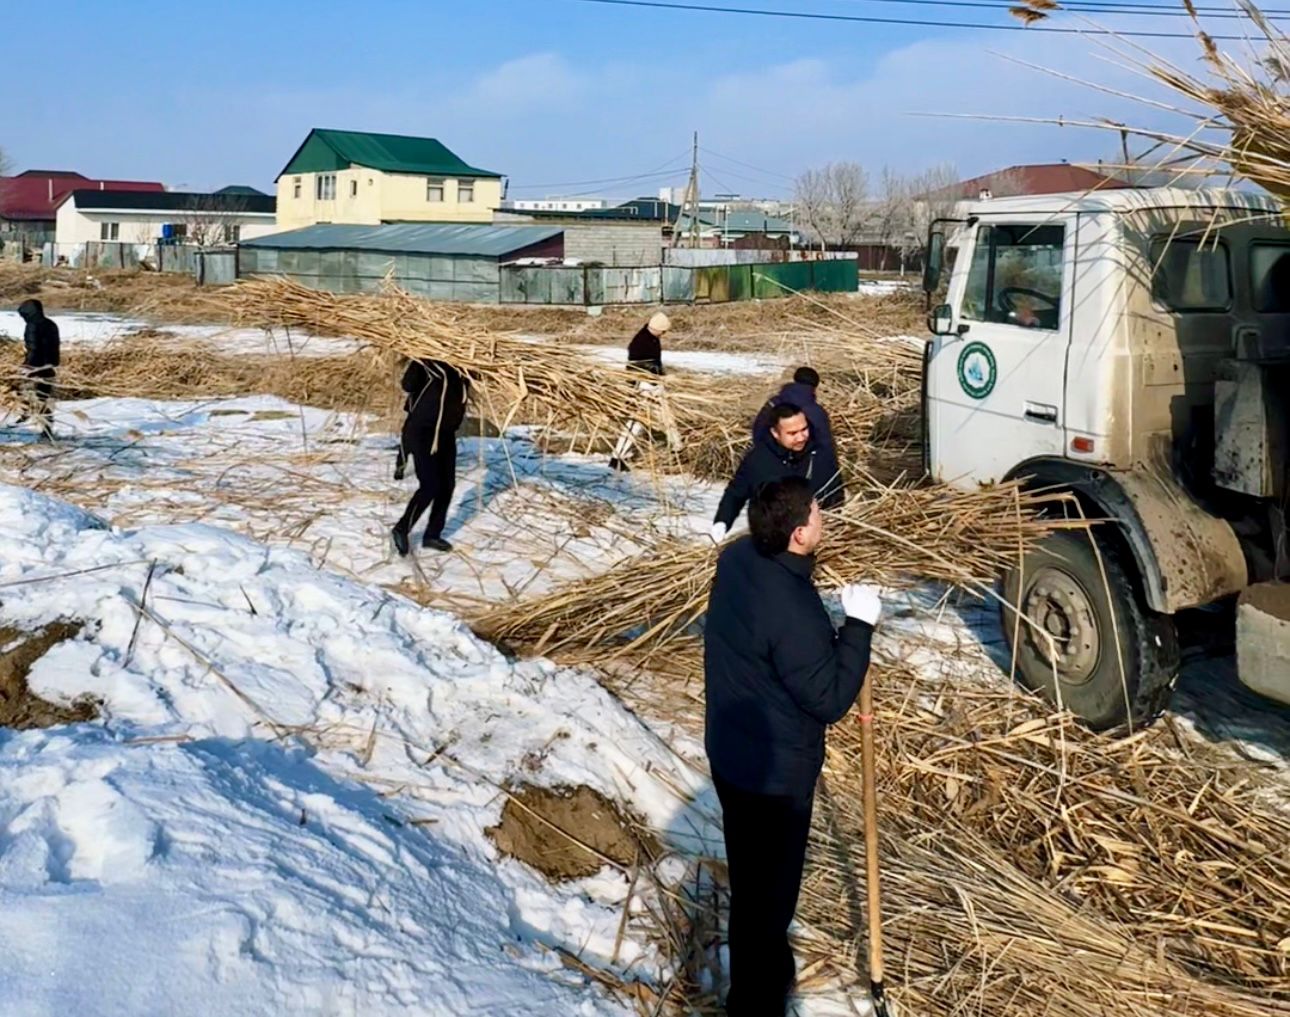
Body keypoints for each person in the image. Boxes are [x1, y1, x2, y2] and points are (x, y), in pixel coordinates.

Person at [704, 476, 881, 1016]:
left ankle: (769, 969)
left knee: (751, 882)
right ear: (800, 534)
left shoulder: (737, 561)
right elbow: (827, 697)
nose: (825, 518)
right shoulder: (792, 609)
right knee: (769, 898)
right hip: (775, 780)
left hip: (731, 757)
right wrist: (858, 627)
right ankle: (753, 1004)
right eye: (819, 513)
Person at [708, 402, 841, 544]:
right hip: (771, 541)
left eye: (804, 429)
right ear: (775, 433)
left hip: (815, 537)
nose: (801, 437)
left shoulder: (821, 455)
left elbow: (835, 494)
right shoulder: (758, 460)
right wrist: (722, 521)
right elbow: (735, 494)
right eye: (792, 433)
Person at [391, 358, 469, 556]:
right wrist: (419, 361)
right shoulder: (428, 361)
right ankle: (401, 528)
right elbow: (407, 385)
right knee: (430, 485)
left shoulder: (464, 365)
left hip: (446, 432)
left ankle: (432, 535)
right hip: (422, 430)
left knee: (447, 485)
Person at [751, 366, 842, 507]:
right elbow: (826, 450)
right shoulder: (815, 412)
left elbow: (758, 430)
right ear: (814, 387)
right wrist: (834, 497)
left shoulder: (772, 403)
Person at [609, 311, 682, 471]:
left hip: (655, 383)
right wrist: (653, 372)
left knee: (667, 417)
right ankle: (617, 457)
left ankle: (677, 449)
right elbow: (635, 366)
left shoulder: (653, 338)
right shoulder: (639, 342)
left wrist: (660, 375)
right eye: (663, 331)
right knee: (637, 421)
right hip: (644, 386)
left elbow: (655, 361)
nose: (664, 334)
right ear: (657, 328)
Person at [15, 299, 60, 440]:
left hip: (35, 368)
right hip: (49, 367)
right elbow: (54, 346)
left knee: (27, 393)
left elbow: (33, 349)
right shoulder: (51, 324)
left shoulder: (32, 326)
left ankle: (25, 415)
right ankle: (47, 429)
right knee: (45, 398)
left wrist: (27, 366)